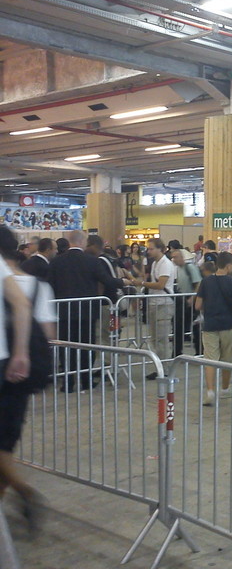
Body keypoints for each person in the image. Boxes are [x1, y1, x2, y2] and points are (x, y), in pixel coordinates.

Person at [0, 226, 46, 534]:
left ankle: (21, 490)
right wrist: (20, 354)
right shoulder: (33, 283)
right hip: (13, 367)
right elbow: (27, 309)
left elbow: (20, 304)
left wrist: (19, 353)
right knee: (5, 440)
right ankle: (19, 492)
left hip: (8, 363)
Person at [49, 230, 128, 391]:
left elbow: (50, 284)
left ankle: (68, 383)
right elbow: (106, 280)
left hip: (64, 311)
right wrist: (123, 282)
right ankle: (86, 380)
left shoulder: (57, 261)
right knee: (87, 346)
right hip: (87, 311)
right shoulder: (92, 261)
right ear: (82, 242)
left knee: (65, 346)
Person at [195, 251, 232, 406]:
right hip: (227, 324)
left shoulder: (206, 281)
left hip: (210, 324)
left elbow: (197, 305)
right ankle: (225, 389)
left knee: (210, 359)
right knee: (227, 358)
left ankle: (210, 391)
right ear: (228, 266)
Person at [132, 238, 176, 361]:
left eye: (151, 249)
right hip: (154, 302)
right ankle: (160, 364)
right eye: (148, 249)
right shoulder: (155, 263)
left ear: (160, 249)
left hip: (163, 304)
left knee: (161, 338)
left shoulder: (165, 264)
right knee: (155, 337)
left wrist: (142, 283)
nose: (149, 251)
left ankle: (164, 366)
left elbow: (161, 285)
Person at [171, 248, 201, 358]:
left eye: (176, 257)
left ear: (182, 257)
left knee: (195, 326)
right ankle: (177, 352)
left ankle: (199, 351)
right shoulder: (179, 269)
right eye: (173, 257)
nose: (174, 259)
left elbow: (198, 284)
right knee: (178, 326)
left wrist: (192, 298)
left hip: (191, 299)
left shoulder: (190, 268)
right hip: (183, 298)